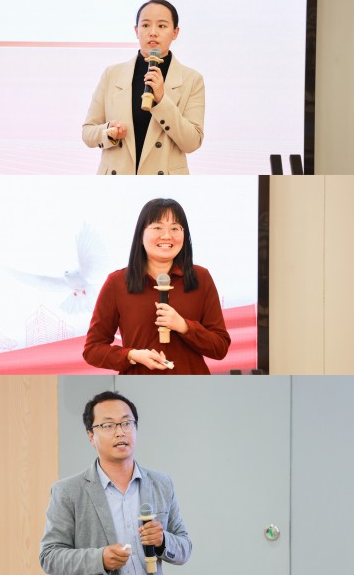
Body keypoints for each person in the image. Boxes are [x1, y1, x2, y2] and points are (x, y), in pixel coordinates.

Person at [39, 391, 191, 575]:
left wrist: (162, 540)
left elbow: (184, 548)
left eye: (127, 423)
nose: (120, 432)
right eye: (108, 425)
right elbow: (49, 557)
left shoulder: (161, 483)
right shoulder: (67, 491)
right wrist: (99, 559)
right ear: (91, 436)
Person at [83, 198, 230, 374]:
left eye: (175, 228)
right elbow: (92, 349)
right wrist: (131, 355)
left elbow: (220, 347)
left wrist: (184, 326)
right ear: (141, 234)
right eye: (158, 228)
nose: (167, 236)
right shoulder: (117, 282)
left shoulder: (201, 278)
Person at [82, 0, 204, 175]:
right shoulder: (112, 74)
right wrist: (108, 132)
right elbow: (87, 132)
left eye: (162, 26)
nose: (153, 32)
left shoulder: (192, 79)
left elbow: (192, 142)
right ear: (136, 30)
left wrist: (162, 101)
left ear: (175, 32)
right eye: (145, 25)